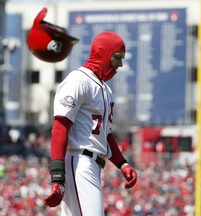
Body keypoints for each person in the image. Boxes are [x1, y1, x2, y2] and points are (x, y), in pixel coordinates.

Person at [43, 31, 138, 215]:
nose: (120, 64)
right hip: (79, 161)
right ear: (103, 53)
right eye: (117, 57)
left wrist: (122, 164)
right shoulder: (78, 80)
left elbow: (105, 134)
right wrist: (57, 176)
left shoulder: (105, 89)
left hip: (92, 164)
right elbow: (60, 127)